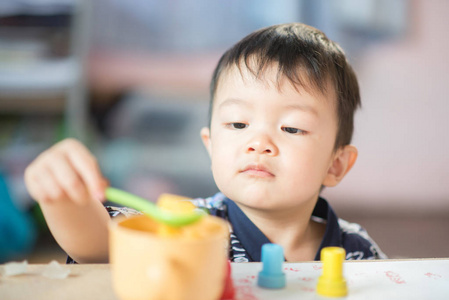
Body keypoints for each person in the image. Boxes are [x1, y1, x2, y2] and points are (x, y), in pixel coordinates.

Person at [24, 23, 386, 264]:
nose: (259, 143)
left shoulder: (357, 251)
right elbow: (101, 247)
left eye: (292, 128)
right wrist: (64, 198)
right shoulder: (187, 229)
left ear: (335, 165)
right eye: (238, 123)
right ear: (210, 144)